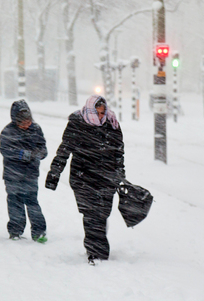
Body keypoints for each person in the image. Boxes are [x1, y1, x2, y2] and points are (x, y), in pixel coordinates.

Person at [45, 95, 125, 265]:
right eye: (98, 113)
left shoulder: (112, 124)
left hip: (106, 178)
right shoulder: (77, 124)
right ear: (90, 110)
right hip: (83, 178)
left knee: (101, 215)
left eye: (103, 113)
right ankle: (97, 252)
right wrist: (54, 173)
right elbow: (64, 150)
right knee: (90, 215)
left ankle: (97, 246)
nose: (101, 116)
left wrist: (120, 176)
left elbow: (119, 153)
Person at [0, 100, 48, 242]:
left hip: (30, 174)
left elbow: (43, 149)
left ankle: (38, 231)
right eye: (23, 123)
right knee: (15, 202)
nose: (27, 125)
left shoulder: (36, 129)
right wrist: (22, 154)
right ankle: (15, 230)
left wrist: (38, 154)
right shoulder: (8, 131)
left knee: (32, 202)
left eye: (28, 122)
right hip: (12, 174)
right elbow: (5, 150)